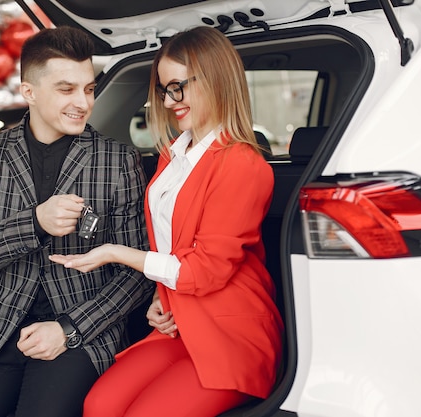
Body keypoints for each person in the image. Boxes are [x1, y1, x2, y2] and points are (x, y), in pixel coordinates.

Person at [0, 26, 154, 417]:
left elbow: (136, 272)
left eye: (89, 89)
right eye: (67, 89)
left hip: (82, 333)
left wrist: (68, 329)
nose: (82, 102)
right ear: (29, 92)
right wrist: (35, 222)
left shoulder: (117, 160)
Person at [50, 26, 284, 417]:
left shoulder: (242, 164)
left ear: (214, 79)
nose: (170, 100)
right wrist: (162, 295)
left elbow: (206, 271)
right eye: (163, 89)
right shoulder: (173, 157)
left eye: (178, 87)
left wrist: (117, 253)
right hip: (178, 323)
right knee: (99, 406)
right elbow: (173, 248)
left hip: (229, 336)